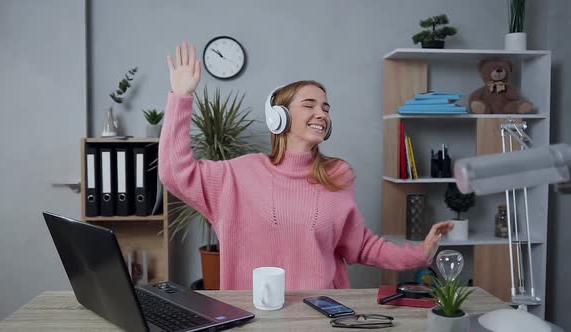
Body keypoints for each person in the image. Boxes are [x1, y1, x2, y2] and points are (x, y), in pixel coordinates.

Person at [159, 41, 453, 290]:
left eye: (325, 107)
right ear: (279, 118)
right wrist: (182, 97)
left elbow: (361, 245)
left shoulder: (337, 174)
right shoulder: (237, 174)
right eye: (309, 105)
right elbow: (174, 172)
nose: (321, 113)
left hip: (321, 314)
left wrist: (421, 254)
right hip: (253, 317)